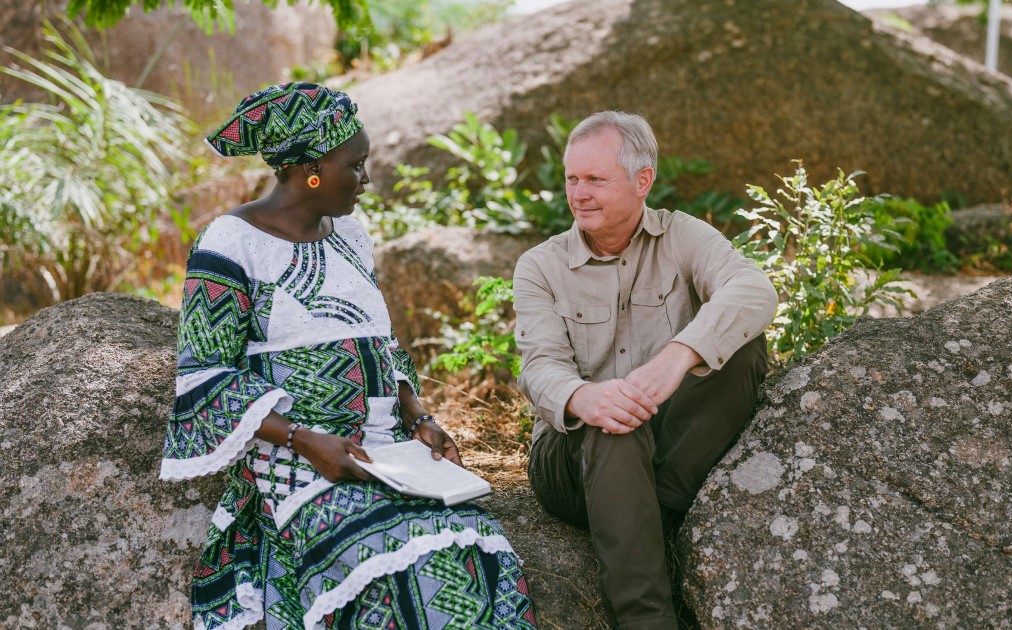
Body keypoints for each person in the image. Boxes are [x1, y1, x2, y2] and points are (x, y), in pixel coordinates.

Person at [160, 82, 537, 630]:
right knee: (394, 563)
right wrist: (304, 439)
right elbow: (205, 374)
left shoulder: (352, 237)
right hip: (297, 460)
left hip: (385, 453)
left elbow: (381, 345)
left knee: (476, 544)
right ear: (312, 168)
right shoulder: (228, 243)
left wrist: (421, 418)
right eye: (356, 166)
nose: (367, 179)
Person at [512, 111, 778, 629]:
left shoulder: (683, 236)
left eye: (595, 179)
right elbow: (539, 367)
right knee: (614, 422)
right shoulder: (540, 266)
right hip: (572, 461)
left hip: (666, 448)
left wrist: (680, 354)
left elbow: (754, 290)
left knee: (742, 347)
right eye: (572, 178)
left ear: (643, 181)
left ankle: (643, 518)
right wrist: (585, 398)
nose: (579, 194)